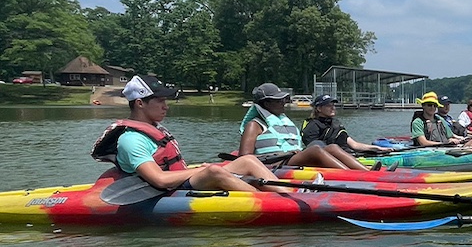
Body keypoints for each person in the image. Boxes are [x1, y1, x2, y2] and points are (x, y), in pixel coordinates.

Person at [92, 75, 285, 193]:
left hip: (180, 181)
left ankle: (289, 193)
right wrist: (202, 171)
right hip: (162, 191)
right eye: (159, 101)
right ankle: (271, 201)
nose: (165, 106)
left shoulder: (154, 128)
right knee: (213, 171)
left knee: (248, 160)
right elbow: (159, 179)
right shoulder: (131, 140)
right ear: (140, 103)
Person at [239, 83, 369, 169]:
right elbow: (244, 158)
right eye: (279, 100)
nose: (283, 102)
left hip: (289, 158)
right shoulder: (254, 125)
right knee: (315, 149)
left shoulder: (281, 121)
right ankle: (352, 175)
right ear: (266, 103)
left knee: (333, 148)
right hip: (274, 163)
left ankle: (368, 174)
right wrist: (282, 154)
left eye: (283, 99)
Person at [301, 95, 393, 156]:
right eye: (329, 105)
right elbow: (314, 151)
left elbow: (354, 145)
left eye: (333, 105)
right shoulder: (312, 126)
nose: (333, 108)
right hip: (331, 158)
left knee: (374, 151)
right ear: (319, 108)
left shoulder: (335, 123)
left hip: (349, 154)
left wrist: (377, 148)